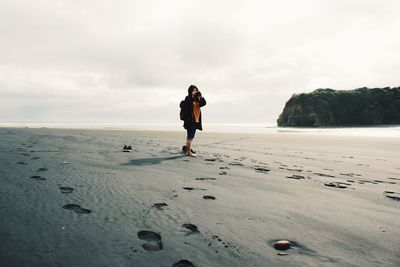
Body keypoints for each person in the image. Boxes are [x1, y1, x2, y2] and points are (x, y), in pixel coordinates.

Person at [181, 85, 206, 157]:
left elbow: (204, 103)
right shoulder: (188, 98)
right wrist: (194, 96)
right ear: (190, 91)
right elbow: (188, 103)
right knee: (190, 135)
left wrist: (200, 96)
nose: (195, 91)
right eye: (193, 90)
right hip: (190, 120)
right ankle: (188, 152)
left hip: (196, 120)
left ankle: (186, 149)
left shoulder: (197, 99)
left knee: (192, 135)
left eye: (196, 90)